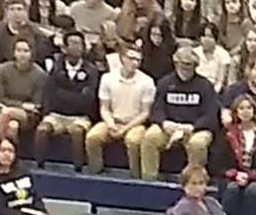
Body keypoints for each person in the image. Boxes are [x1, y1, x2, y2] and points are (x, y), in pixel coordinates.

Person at [140, 46, 219, 180]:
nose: (186, 68)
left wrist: (193, 127)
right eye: (183, 64)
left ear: (196, 65)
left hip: (195, 129)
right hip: (169, 127)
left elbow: (211, 114)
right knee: (149, 138)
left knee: (197, 144)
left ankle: (194, 181)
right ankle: (149, 179)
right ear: (176, 63)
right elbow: (156, 109)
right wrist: (164, 123)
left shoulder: (205, 85)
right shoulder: (164, 83)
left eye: (190, 65)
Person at [86, 46, 155, 176]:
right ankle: (95, 172)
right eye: (131, 58)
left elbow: (145, 113)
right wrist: (111, 124)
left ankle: (135, 175)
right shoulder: (107, 78)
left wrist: (124, 129)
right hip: (112, 120)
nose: (134, 63)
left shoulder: (147, 82)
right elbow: (104, 107)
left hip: (135, 123)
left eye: (138, 60)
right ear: (122, 58)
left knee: (133, 141)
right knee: (92, 137)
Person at [35, 31, 98, 170]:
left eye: (79, 44)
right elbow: (51, 94)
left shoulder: (91, 70)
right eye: (73, 43)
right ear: (64, 47)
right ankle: (39, 168)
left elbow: (87, 100)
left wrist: (62, 94)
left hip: (80, 116)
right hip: (57, 115)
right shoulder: (56, 68)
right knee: (42, 130)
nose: (76, 47)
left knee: (76, 132)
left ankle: (78, 169)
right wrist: (75, 95)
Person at [213, 95, 256, 215]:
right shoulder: (227, 133)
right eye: (241, 108)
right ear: (236, 112)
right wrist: (235, 174)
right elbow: (217, 160)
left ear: (254, 111)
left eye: (249, 107)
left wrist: (251, 175)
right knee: (232, 188)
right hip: (231, 176)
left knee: (253, 189)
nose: (245, 111)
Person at [0, 37, 47, 142]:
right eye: (18, 50)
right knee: (12, 126)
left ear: (31, 53)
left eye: (25, 51)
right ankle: (10, 156)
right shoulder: (3, 69)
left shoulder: (39, 74)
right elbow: (0, 98)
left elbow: (36, 105)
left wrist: (16, 107)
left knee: (7, 112)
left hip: (28, 116)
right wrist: (21, 105)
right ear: (13, 52)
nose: (22, 54)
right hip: (4, 109)